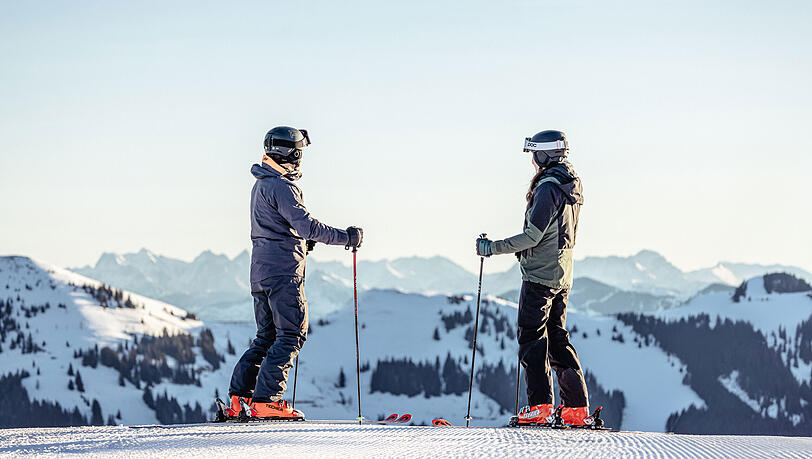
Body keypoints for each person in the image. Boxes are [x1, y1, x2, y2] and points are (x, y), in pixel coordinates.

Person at [227, 126, 363, 420]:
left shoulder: (261, 184)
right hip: (284, 274)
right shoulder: (282, 186)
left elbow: (278, 227)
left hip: (260, 272)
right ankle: (267, 402)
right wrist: (347, 237)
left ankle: (241, 398)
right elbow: (307, 226)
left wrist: (300, 242)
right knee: (291, 335)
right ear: (295, 154)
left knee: (266, 336)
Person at [476, 129, 592, 426]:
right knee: (557, 337)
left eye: (534, 154)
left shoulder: (548, 188)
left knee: (532, 337)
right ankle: (576, 409)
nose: (533, 161)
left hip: (540, 276)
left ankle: (540, 406)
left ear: (545, 154)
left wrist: (493, 248)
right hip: (563, 274)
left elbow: (533, 235)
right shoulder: (572, 184)